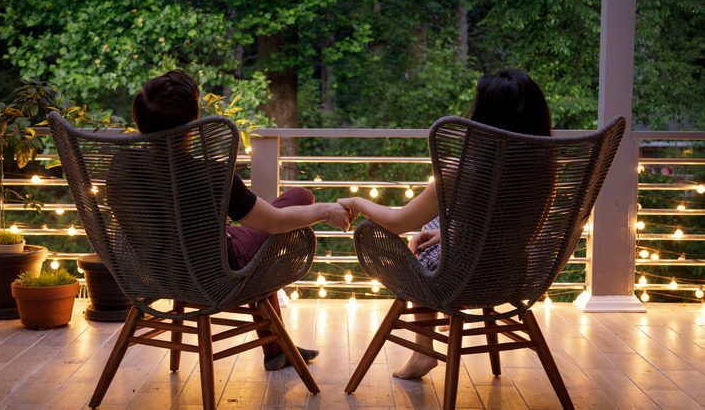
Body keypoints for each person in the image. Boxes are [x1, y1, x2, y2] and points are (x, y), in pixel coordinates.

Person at [338, 69, 552, 379]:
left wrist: (357, 202)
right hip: (514, 274)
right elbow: (508, 227)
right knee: (433, 229)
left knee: (419, 259)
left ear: (485, 116)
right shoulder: (545, 167)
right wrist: (448, 233)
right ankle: (423, 346)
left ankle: (423, 351)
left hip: (460, 279)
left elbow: (398, 222)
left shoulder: (463, 169)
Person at [132, 69, 351, 371]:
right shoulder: (210, 174)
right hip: (217, 273)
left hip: (155, 271)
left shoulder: (122, 168)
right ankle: (276, 347)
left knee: (256, 248)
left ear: (139, 120)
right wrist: (326, 211)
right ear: (193, 126)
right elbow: (274, 223)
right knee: (299, 197)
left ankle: (276, 348)